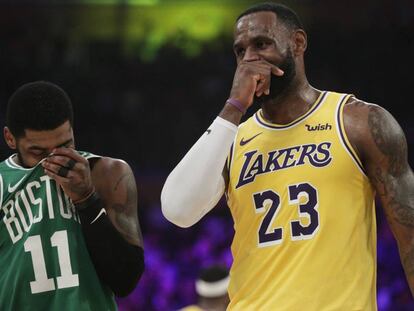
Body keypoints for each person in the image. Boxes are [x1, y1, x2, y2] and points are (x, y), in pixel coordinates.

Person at [161, 2, 414, 310]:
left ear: (297, 43)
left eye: (261, 44)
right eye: (240, 51)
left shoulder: (357, 122)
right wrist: (233, 107)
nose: (249, 59)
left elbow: (409, 234)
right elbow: (177, 210)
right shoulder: (233, 138)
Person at [0, 81, 144, 310]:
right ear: (10, 138)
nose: (51, 159)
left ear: (72, 131)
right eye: (37, 151)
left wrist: (87, 199)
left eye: (64, 146)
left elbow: (126, 281)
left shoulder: (107, 172)